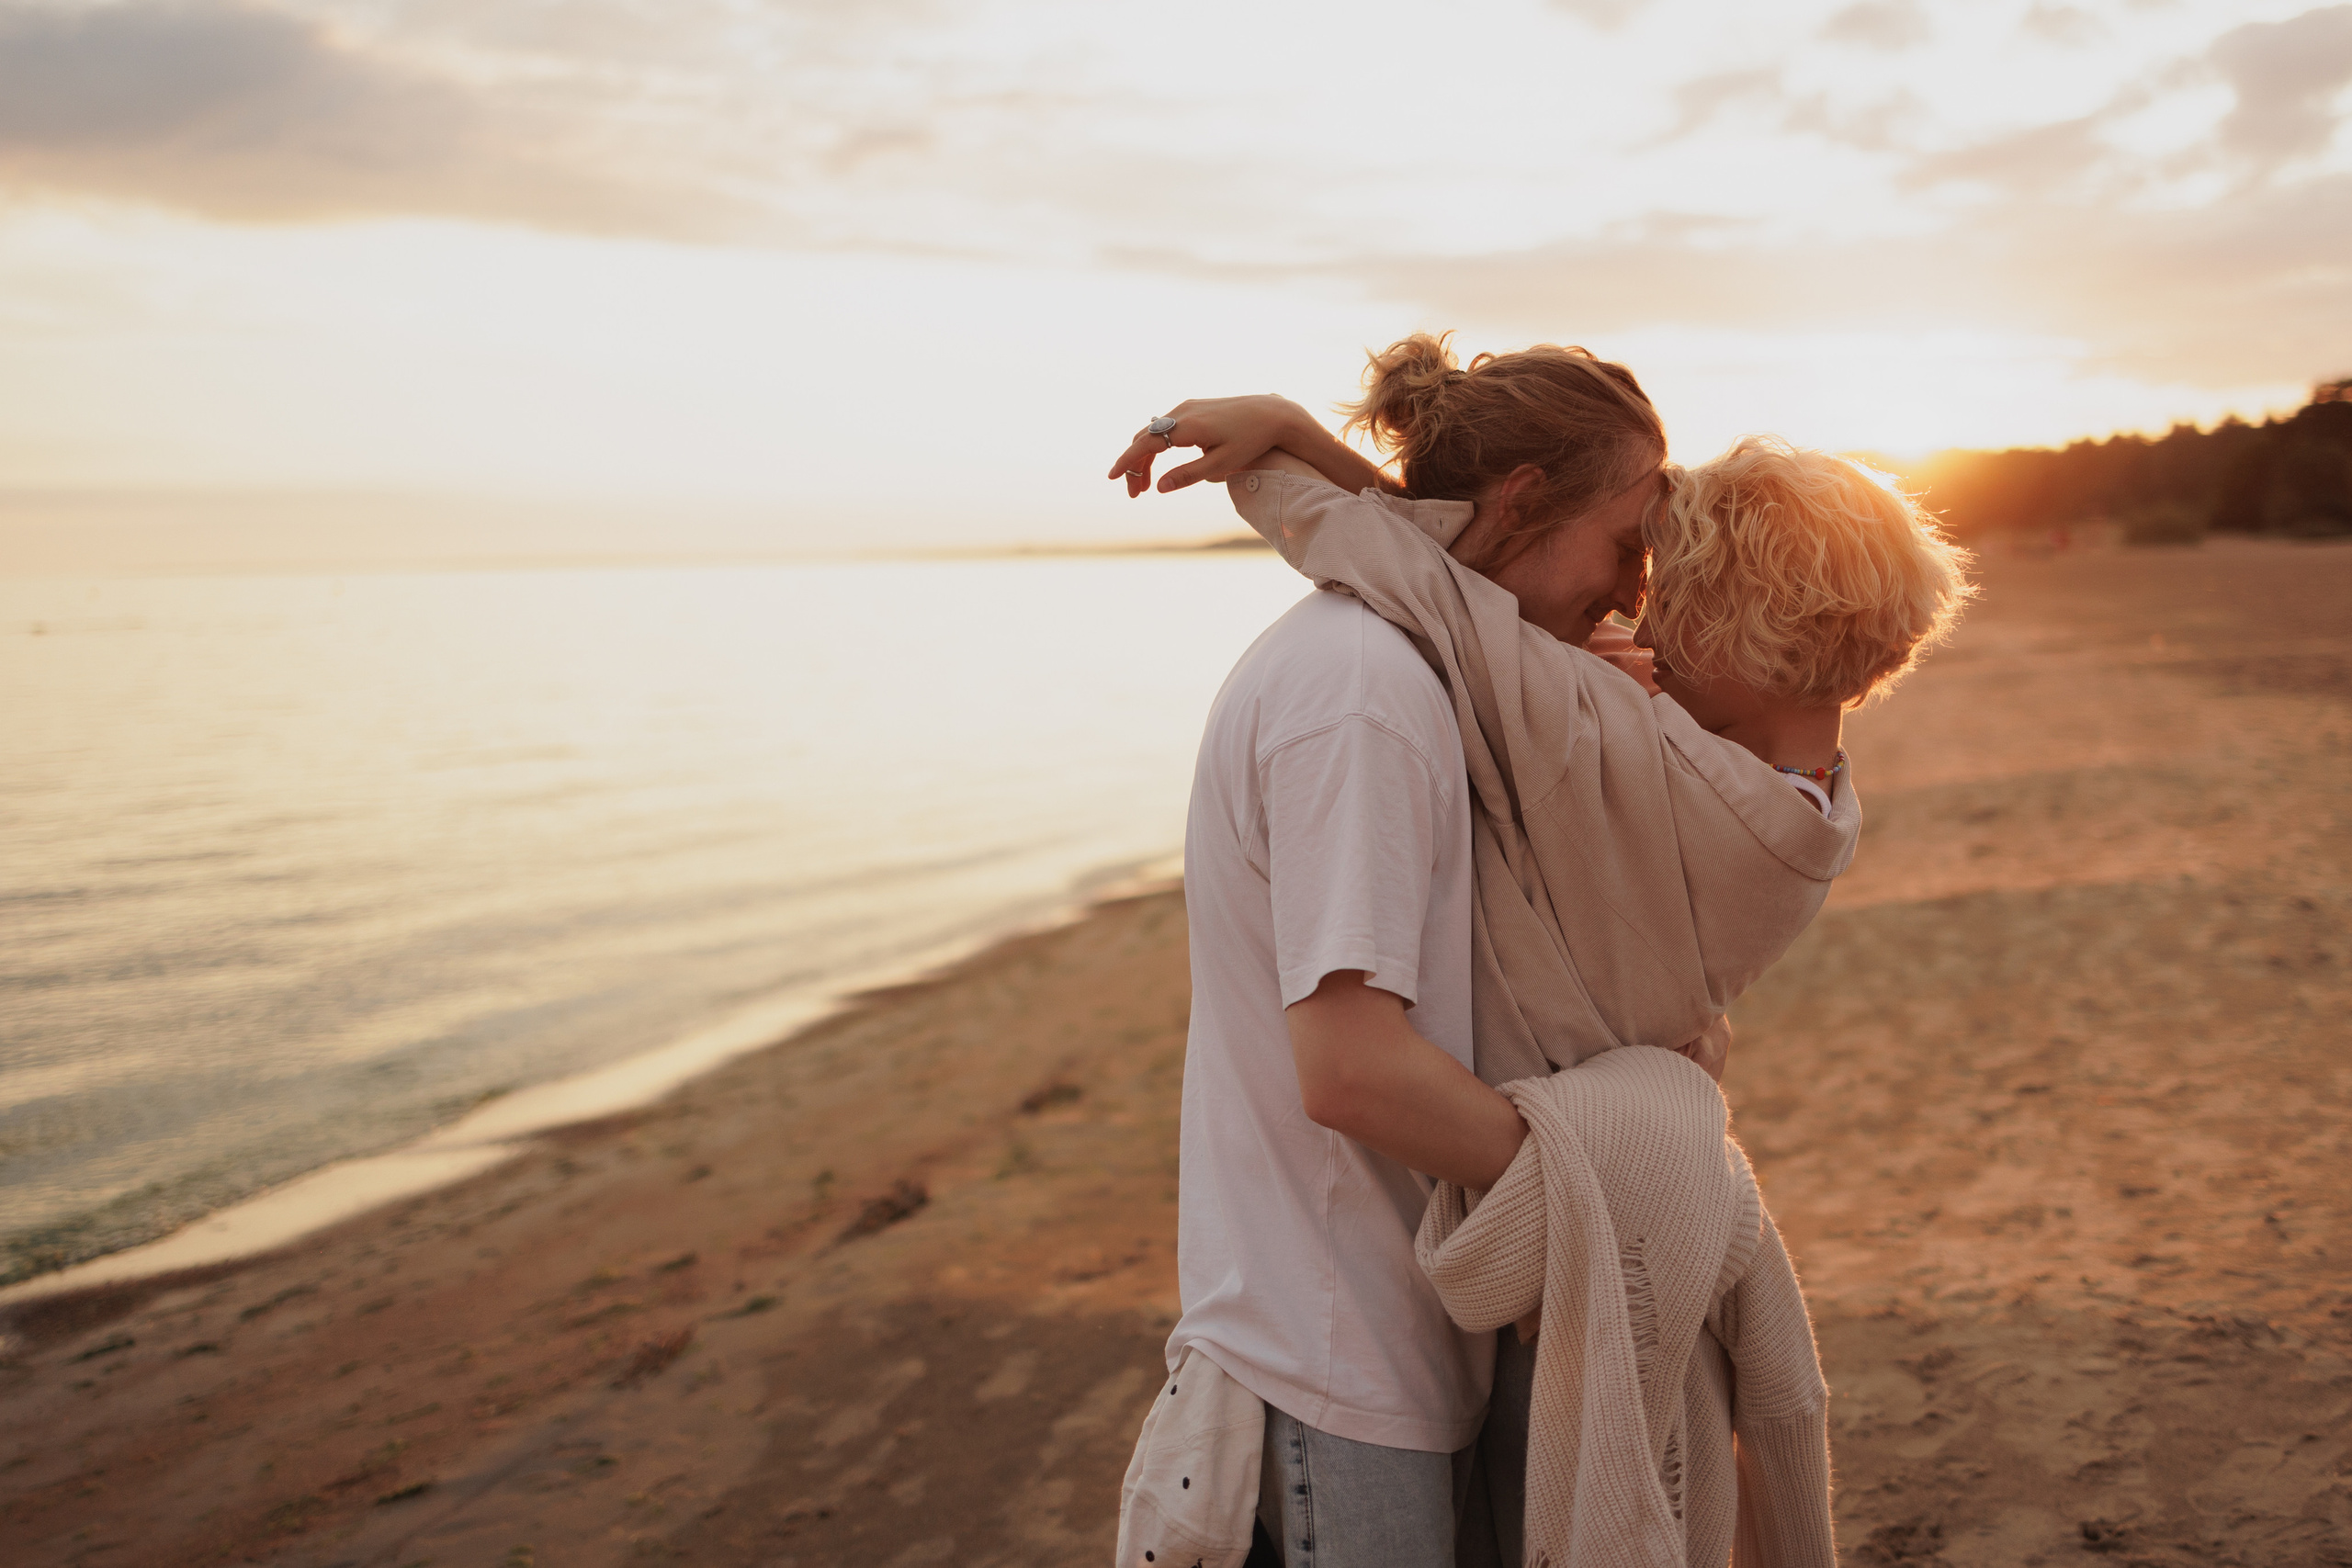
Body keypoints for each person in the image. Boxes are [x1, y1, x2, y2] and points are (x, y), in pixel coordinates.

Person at [1113, 338, 1678, 1568]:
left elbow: (1439, 554)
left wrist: (1303, 439)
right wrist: (1610, 1200)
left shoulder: (1430, 661)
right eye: (1629, 537)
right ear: (1525, 499)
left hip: (1396, 1340)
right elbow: (1352, 1071)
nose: (1637, 587)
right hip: (1327, 1369)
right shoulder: (1360, 695)